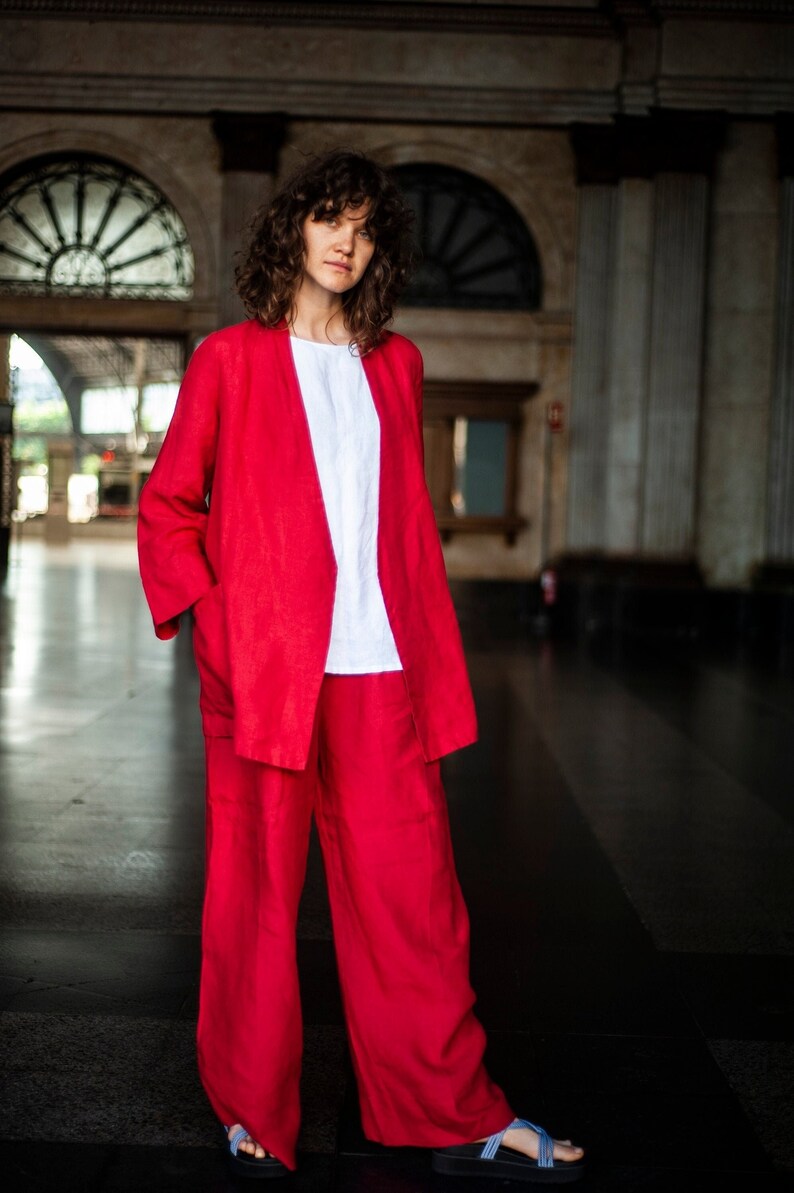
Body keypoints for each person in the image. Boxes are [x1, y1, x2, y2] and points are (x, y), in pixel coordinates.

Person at [137, 148, 585, 1185]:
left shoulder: (398, 362)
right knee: (253, 897)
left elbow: (399, 525)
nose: (345, 240)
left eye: (366, 226)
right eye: (328, 218)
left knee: (413, 899)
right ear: (292, 227)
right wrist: (218, 624)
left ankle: (449, 1106)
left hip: (380, 666)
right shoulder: (230, 360)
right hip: (264, 675)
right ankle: (250, 1105)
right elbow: (168, 507)